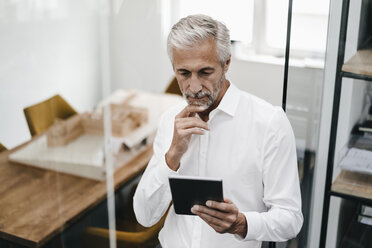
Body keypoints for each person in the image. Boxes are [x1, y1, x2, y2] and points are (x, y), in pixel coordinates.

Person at [133, 14, 303, 248]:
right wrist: (172, 156)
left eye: (205, 72)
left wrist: (242, 224)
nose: (193, 87)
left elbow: (291, 219)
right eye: (183, 73)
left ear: (227, 63)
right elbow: (144, 216)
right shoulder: (169, 120)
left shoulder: (269, 124)